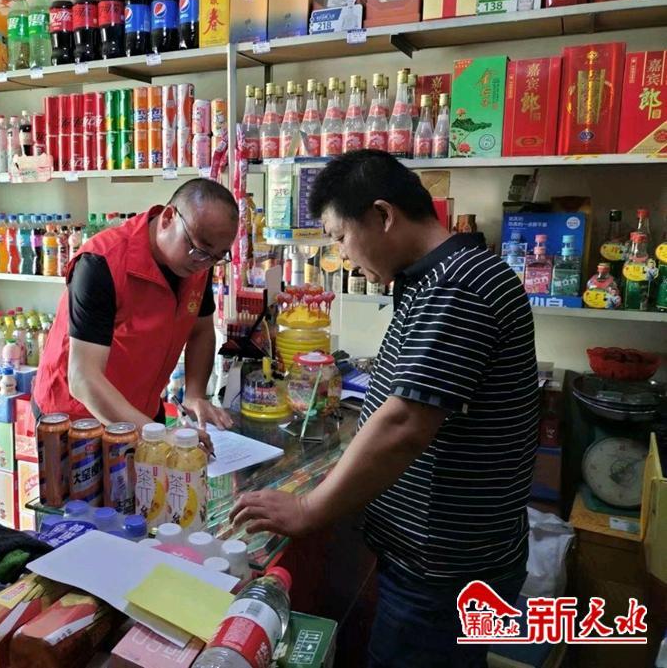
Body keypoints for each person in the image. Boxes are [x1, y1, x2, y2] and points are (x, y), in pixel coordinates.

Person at [231, 151, 539, 667]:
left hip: (442, 572)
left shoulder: (457, 285)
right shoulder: (436, 279)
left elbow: (404, 425)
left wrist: (307, 509)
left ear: (382, 215)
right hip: (440, 563)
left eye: (340, 238)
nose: (344, 256)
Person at [35, 179, 238, 442]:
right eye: (200, 250)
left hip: (141, 412)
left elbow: (201, 330)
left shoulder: (197, 264)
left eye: (217, 257)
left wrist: (195, 394)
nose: (205, 263)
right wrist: (159, 437)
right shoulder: (102, 262)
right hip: (76, 419)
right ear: (168, 218)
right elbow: (83, 378)